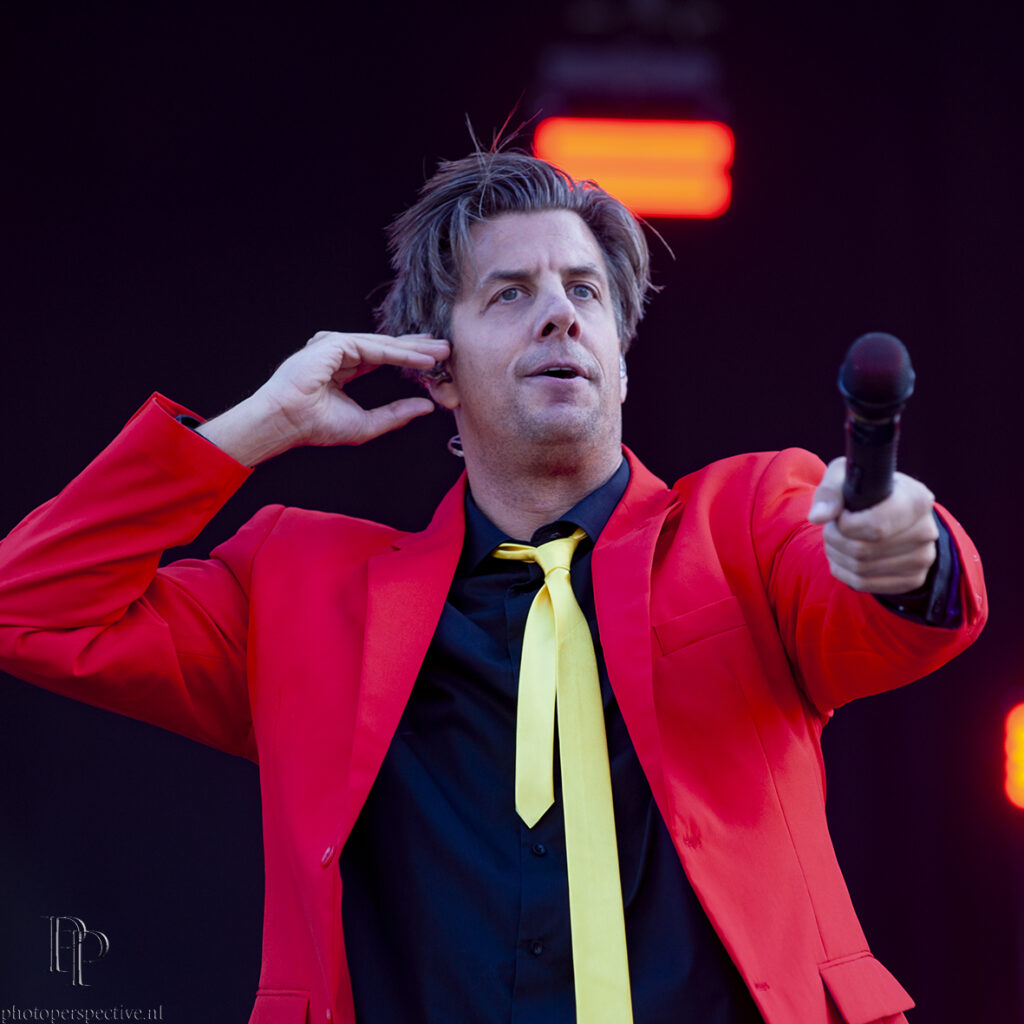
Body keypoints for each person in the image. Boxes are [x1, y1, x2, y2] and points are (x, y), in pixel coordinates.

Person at [0, 150, 987, 1024]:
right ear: (435, 370)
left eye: (584, 291)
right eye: (509, 293)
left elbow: (883, 606)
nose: (560, 311)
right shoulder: (298, 587)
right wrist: (255, 426)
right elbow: (30, 604)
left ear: (619, 357)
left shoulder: (748, 519)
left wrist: (905, 554)